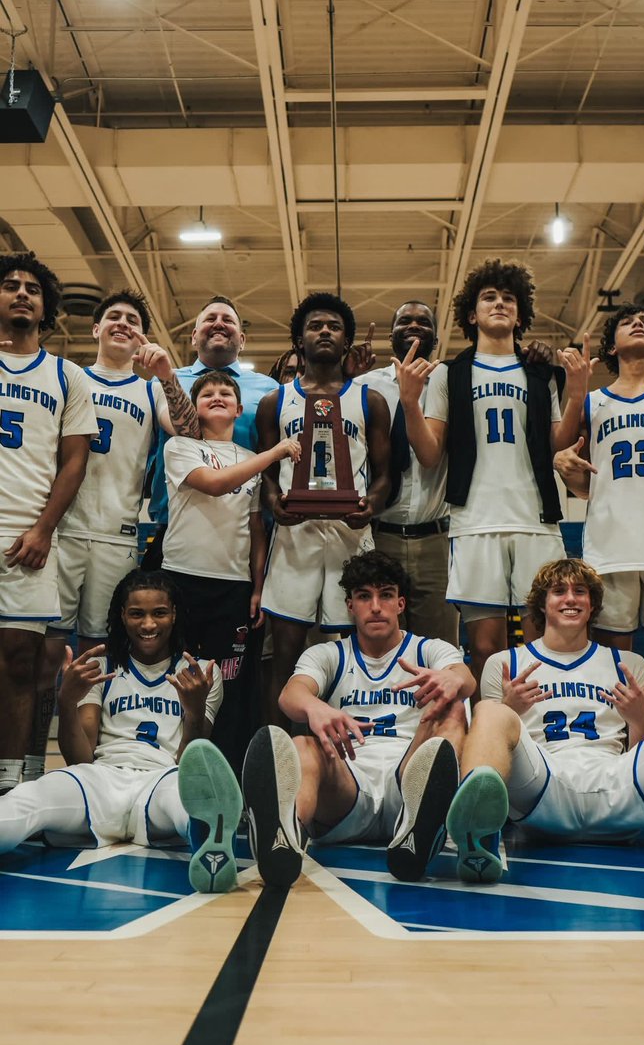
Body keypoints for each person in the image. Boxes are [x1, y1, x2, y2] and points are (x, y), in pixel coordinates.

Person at [29, 290, 201, 783]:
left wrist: (167, 375)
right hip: (62, 529)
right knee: (47, 652)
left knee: (99, 653)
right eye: (113, 318)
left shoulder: (149, 391)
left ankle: (95, 765)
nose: (122, 323)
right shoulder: (69, 377)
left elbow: (189, 432)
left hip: (118, 535)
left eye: (132, 319)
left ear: (142, 335)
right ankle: (35, 763)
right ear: (95, 330)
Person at [396, 258, 590, 689]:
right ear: (471, 314)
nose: (499, 303)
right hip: (474, 521)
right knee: (485, 647)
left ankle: (538, 738)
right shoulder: (450, 373)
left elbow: (560, 446)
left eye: (508, 298)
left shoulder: (541, 374)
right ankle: (490, 734)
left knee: (543, 639)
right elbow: (429, 454)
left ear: (521, 315)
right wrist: (410, 402)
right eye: (489, 297)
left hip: (535, 520)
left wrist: (576, 396)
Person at [236, 550, 474, 888]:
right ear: (350, 605)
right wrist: (315, 707)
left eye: (386, 595)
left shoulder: (428, 650)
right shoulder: (329, 654)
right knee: (302, 743)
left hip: (409, 779)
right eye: (364, 596)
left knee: (453, 707)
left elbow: (463, 675)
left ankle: (418, 830)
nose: (376, 606)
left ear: (401, 604)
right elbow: (290, 696)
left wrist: (454, 680)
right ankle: (284, 839)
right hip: (347, 784)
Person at [0, 568, 244, 895]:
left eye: (159, 613)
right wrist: (67, 702)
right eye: (137, 614)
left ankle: (212, 845)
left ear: (175, 615)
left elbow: (191, 760)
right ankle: (211, 829)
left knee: (185, 799)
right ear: (122, 616)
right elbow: (80, 756)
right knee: (31, 798)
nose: (148, 624)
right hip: (100, 778)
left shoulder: (200, 674)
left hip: (162, 778)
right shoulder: (100, 668)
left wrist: (194, 711)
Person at [446, 558, 644, 886]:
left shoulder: (627, 662)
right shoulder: (506, 663)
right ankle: (478, 839)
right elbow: (496, 741)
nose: (570, 599)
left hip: (617, 786)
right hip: (545, 788)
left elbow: (640, 754)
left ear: (592, 605)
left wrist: (639, 721)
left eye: (580, 591)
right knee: (490, 713)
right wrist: (511, 709)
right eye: (559, 591)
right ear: (542, 604)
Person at [256, 292, 392, 727]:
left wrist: (371, 504)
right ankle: (278, 758)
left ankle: (347, 750)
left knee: (350, 655)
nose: (325, 332)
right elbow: (266, 474)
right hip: (295, 539)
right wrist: (274, 502)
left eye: (334, 326)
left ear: (347, 338)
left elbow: (388, 475)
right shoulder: (273, 402)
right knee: (285, 657)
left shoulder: (369, 400)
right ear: (299, 339)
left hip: (352, 538)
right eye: (315, 326)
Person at [162, 370, 301, 775]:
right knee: (182, 677)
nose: (218, 396)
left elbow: (257, 527)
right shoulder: (180, 446)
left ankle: (232, 774)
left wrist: (257, 587)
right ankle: (176, 769)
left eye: (226, 392)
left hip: (234, 587)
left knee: (234, 685)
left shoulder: (250, 459)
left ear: (240, 409)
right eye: (207, 393)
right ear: (195, 406)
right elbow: (216, 484)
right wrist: (275, 452)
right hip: (183, 580)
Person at [0, 252, 98, 794]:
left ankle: (11, 787)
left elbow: (75, 461)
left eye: (32, 289)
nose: (21, 294)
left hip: (26, 532)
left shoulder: (67, 375)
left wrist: (42, 530)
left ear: (46, 307)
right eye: (10, 285)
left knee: (20, 659)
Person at [553, 304, 644, 727]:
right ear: (610, 345)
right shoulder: (591, 401)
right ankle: (618, 761)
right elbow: (568, 462)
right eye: (626, 321)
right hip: (610, 547)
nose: (638, 323)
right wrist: (573, 394)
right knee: (614, 676)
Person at [145, 294, 277, 563]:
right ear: (193, 337)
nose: (219, 324)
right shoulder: (164, 381)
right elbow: (183, 430)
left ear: (242, 339)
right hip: (175, 524)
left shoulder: (270, 389)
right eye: (210, 319)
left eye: (228, 320)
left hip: (244, 527)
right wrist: (167, 376)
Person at [360, 300, 458, 645]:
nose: (414, 325)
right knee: (379, 646)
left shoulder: (452, 382)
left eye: (423, 321)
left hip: (437, 540)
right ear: (391, 334)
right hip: (379, 534)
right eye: (405, 320)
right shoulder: (364, 386)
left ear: (436, 336)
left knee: (440, 646)